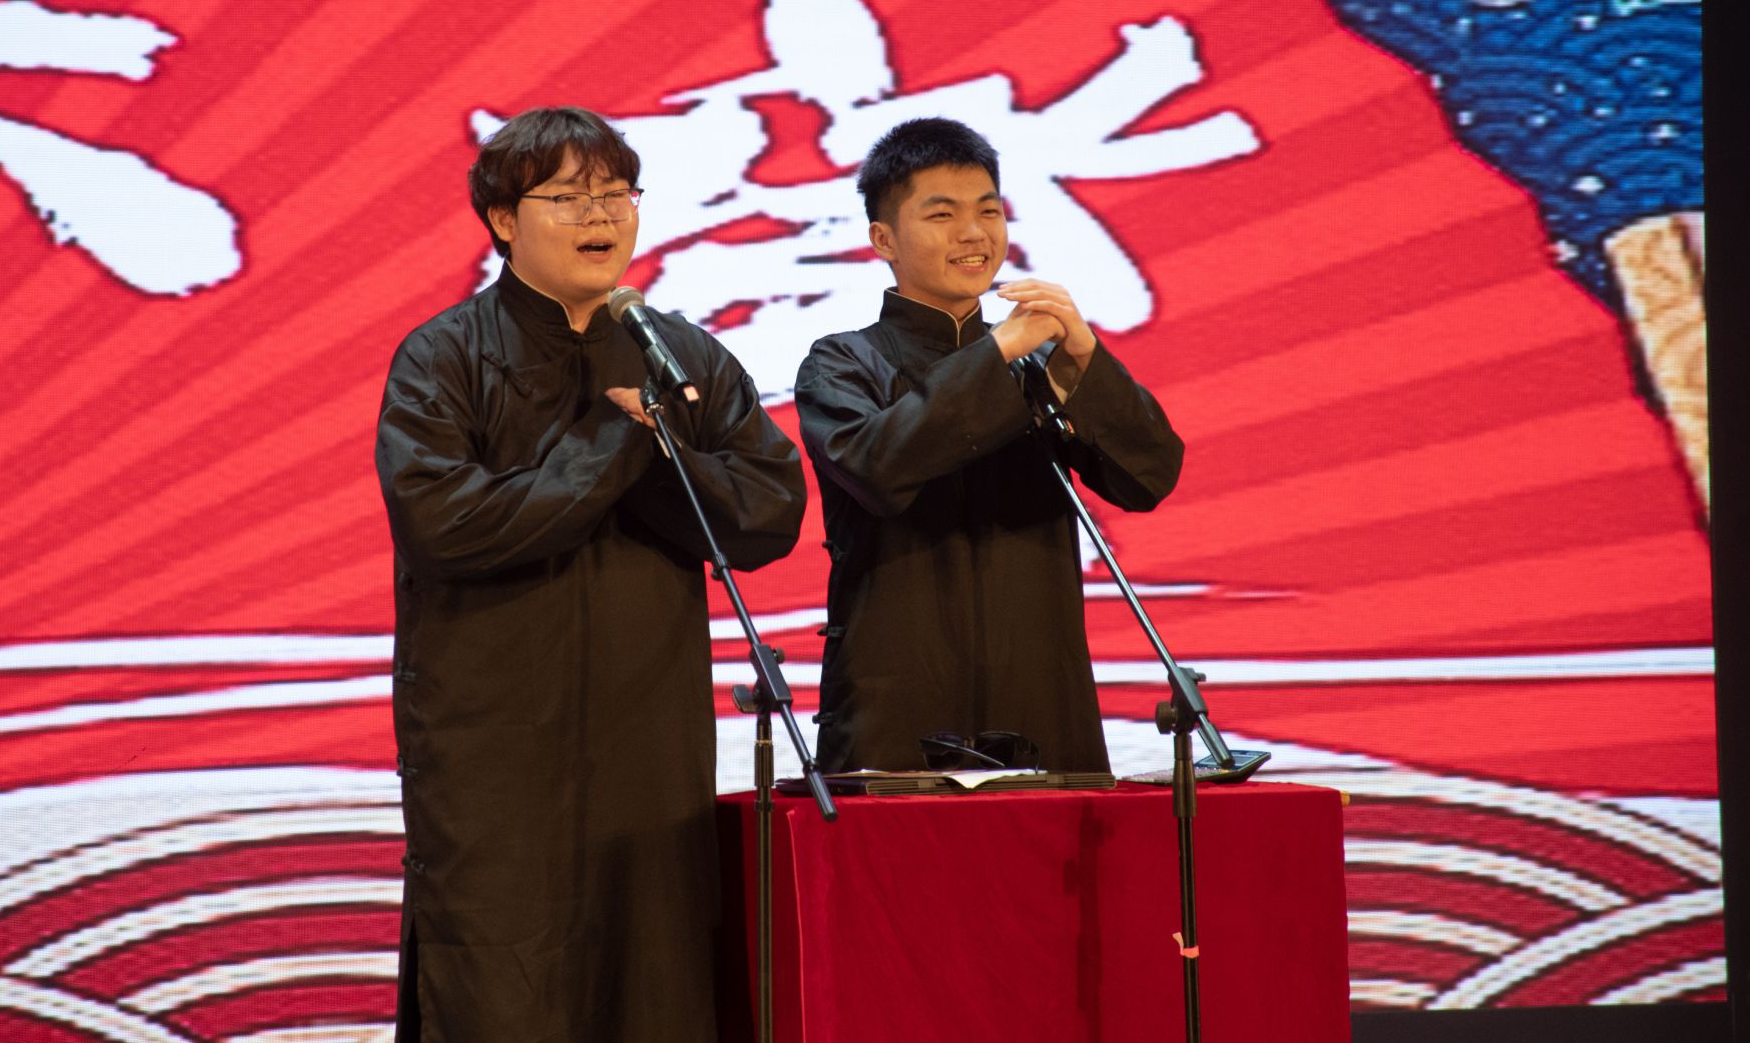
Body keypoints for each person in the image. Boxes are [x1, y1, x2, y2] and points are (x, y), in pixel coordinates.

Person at [375, 107, 806, 1041]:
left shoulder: (677, 353)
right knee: (502, 988)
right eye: (569, 197)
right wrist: (616, 445)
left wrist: (660, 458)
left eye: (615, 193)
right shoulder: (443, 356)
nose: (600, 214)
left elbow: (771, 509)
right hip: (494, 749)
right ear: (503, 219)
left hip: (649, 744)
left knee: (653, 983)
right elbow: (445, 524)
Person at [795, 116, 1183, 776]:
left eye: (988, 211)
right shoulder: (841, 363)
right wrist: (996, 349)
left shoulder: (1039, 364)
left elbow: (1149, 476)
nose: (974, 233)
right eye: (942, 214)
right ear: (883, 239)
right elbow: (877, 467)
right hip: (898, 694)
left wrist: (1083, 360)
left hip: (1040, 691)